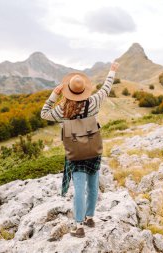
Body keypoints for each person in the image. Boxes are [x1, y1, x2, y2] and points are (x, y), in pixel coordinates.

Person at [40, 61, 120, 238]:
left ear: (68, 90)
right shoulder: (93, 102)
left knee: (79, 189)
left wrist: (54, 94)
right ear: (84, 90)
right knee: (93, 186)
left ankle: (79, 226)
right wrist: (112, 71)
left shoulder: (62, 109)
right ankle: (90, 218)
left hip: (75, 154)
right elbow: (106, 89)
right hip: (93, 150)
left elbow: (44, 113)